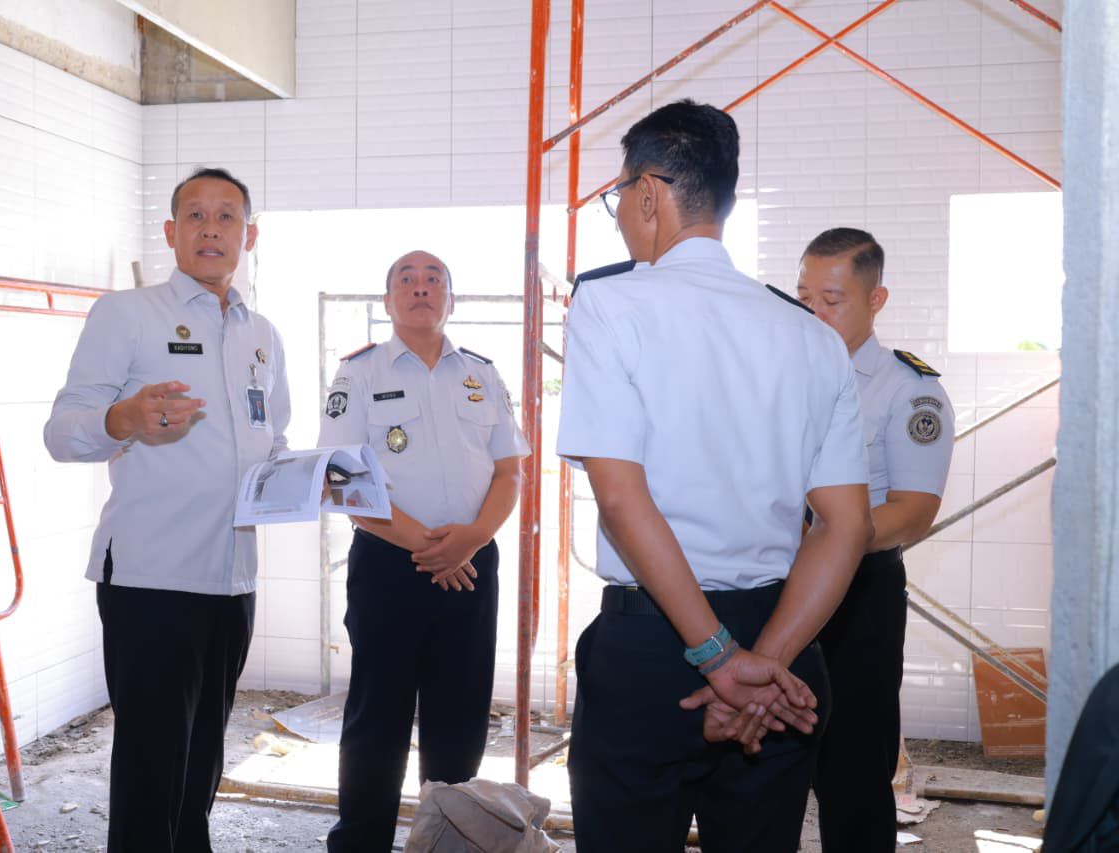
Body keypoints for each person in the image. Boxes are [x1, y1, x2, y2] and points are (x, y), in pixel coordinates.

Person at [555, 99, 874, 853]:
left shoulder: (610, 306)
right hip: (782, 648)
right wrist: (764, 664)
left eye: (617, 197)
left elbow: (622, 500)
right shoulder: (811, 336)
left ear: (648, 194)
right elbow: (847, 525)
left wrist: (718, 660)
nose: (619, 216)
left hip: (656, 647)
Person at [44, 167, 290, 852]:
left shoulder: (262, 333)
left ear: (248, 235)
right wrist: (123, 418)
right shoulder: (127, 314)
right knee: (151, 770)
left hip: (232, 579)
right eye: (196, 215)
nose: (212, 228)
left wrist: (313, 480)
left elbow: (272, 439)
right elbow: (61, 432)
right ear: (171, 232)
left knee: (202, 764)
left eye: (227, 216)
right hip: (151, 578)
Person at [318, 250, 530, 852]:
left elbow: (509, 472)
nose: (420, 288)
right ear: (388, 302)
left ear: (450, 300)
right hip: (390, 565)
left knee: (460, 720)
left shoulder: (482, 374)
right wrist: (431, 547)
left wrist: (473, 538)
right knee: (377, 720)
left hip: (472, 564)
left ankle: (449, 843)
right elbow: (340, 480)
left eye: (433, 279)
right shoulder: (359, 374)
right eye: (406, 281)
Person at [796, 227, 955, 853]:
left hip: (858, 591)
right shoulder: (784, 373)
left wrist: (830, 543)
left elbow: (914, 512)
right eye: (805, 297)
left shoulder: (909, 389)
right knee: (769, 765)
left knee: (853, 767)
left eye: (831, 300)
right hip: (775, 579)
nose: (815, 312)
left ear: (875, 299)